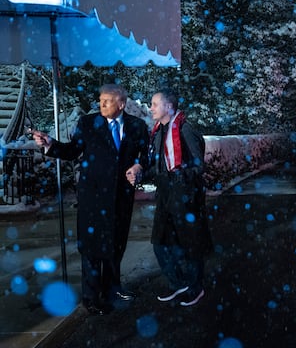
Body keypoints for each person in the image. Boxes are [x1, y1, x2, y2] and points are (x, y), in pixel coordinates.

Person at [32, 84, 148, 315]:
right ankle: (92, 298)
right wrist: (50, 145)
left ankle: (112, 289)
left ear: (121, 104)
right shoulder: (87, 123)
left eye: (107, 100)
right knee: (92, 248)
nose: (101, 104)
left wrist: (139, 165)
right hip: (93, 198)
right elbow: (72, 150)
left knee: (116, 245)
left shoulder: (137, 126)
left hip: (120, 198)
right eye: (100, 99)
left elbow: (146, 155)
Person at [146, 88, 213, 307]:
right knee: (160, 242)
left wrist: (180, 177)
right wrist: (139, 173)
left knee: (191, 243)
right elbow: (157, 164)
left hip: (185, 196)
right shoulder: (158, 131)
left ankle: (195, 287)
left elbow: (198, 165)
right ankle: (179, 282)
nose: (151, 108)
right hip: (165, 195)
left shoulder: (185, 130)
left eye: (155, 104)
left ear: (169, 106)